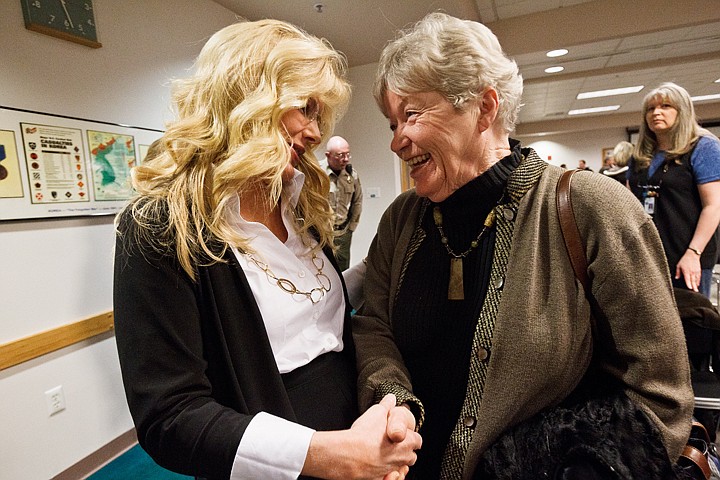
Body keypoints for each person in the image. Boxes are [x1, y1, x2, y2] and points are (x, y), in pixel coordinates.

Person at [353, 12, 693, 479]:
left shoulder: (592, 208)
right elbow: (373, 326)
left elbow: (661, 395)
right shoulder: (401, 219)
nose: (397, 142)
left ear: (485, 107)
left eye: (411, 115)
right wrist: (392, 398)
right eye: (392, 123)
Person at [113, 19, 420, 480]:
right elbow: (170, 418)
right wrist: (326, 454)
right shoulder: (161, 227)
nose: (315, 133)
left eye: (320, 116)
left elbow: (314, 309)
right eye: (305, 109)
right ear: (246, 100)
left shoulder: (300, 203)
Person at [626, 82, 720, 298]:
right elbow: (630, 204)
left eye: (665, 106)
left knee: (689, 323)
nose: (656, 113)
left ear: (682, 111)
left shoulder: (703, 147)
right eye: (650, 109)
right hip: (647, 255)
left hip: (686, 255)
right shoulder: (640, 156)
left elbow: (713, 206)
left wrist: (693, 253)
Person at [320, 135, 363, 270]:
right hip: (322, 232)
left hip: (343, 231)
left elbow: (357, 201)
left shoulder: (352, 175)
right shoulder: (317, 172)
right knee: (322, 268)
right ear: (328, 155)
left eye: (347, 154)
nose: (345, 159)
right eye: (340, 155)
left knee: (342, 269)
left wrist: (351, 228)